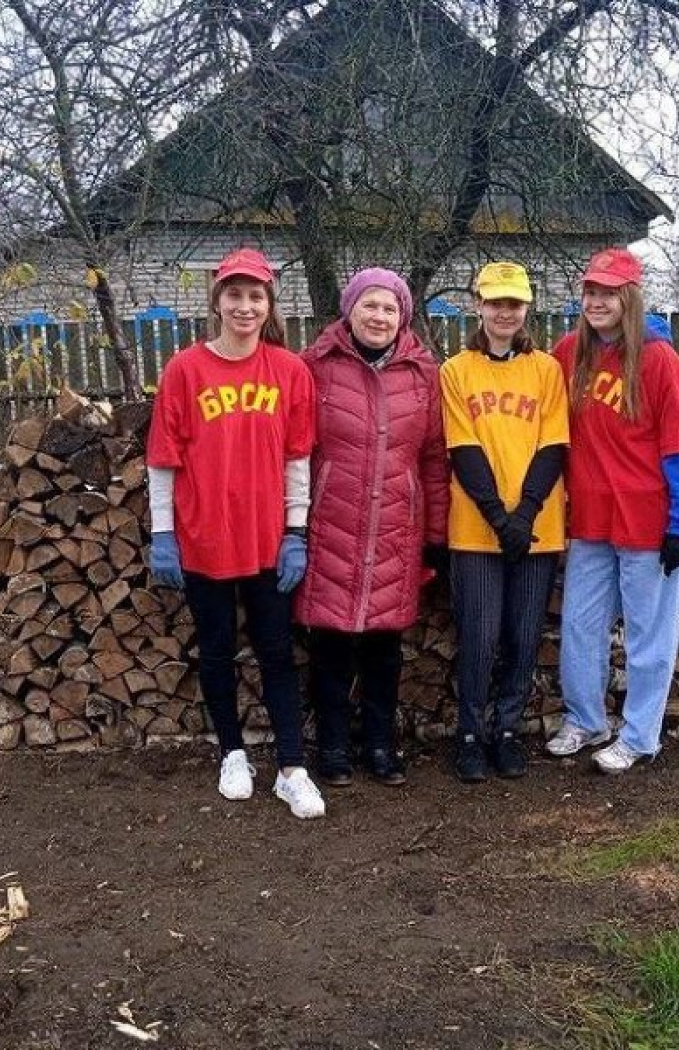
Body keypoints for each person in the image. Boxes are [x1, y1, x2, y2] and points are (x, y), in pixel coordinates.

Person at [144, 247, 326, 819]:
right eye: (234, 294)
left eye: (256, 295)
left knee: (276, 651)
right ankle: (232, 752)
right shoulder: (185, 370)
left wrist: (296, 531)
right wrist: (164, 533)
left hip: (267, 538)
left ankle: (292, 766)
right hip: (203, 539)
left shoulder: (289, 370)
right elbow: (162, 459)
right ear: (217, 301)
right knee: (218, 651)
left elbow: (298, 458)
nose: (244, 305)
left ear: (269, 303)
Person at [547, 248, 679, 773]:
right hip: (590, 518)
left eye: (608, 293)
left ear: (629, 297)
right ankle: (587, 719)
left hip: (647, 521)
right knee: (581, 627)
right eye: (590, 291)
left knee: (648, 636)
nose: (597, 301)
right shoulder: (569, 353)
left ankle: (640, 736)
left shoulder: (658, 360)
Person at [294, 268, 449, 788]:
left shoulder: (424, 372)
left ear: (402, 316)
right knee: (331, 644)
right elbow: (296, 451)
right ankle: (333, 746)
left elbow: (433, 458)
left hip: (395, 526)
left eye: (389, 308)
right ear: (350, 309)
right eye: (370, 306)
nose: (379, 317)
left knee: (384, 646)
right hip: (332, 520)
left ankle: (381, 745)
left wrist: (437, 536)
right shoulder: (314, 366)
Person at [439, 262, 569, 782]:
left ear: (526, 308)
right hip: (476, 529)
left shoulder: (546, 370)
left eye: (513, 303)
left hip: (536, 528)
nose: (504, 312)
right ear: (479, 306)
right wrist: (498, 517)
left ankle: (508, 730)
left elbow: (553, 443)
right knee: (479, 634)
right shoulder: (456, 371)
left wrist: (526, 513)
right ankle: (469, 733)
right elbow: (462, 448)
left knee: (521, 634)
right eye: (495, 302)